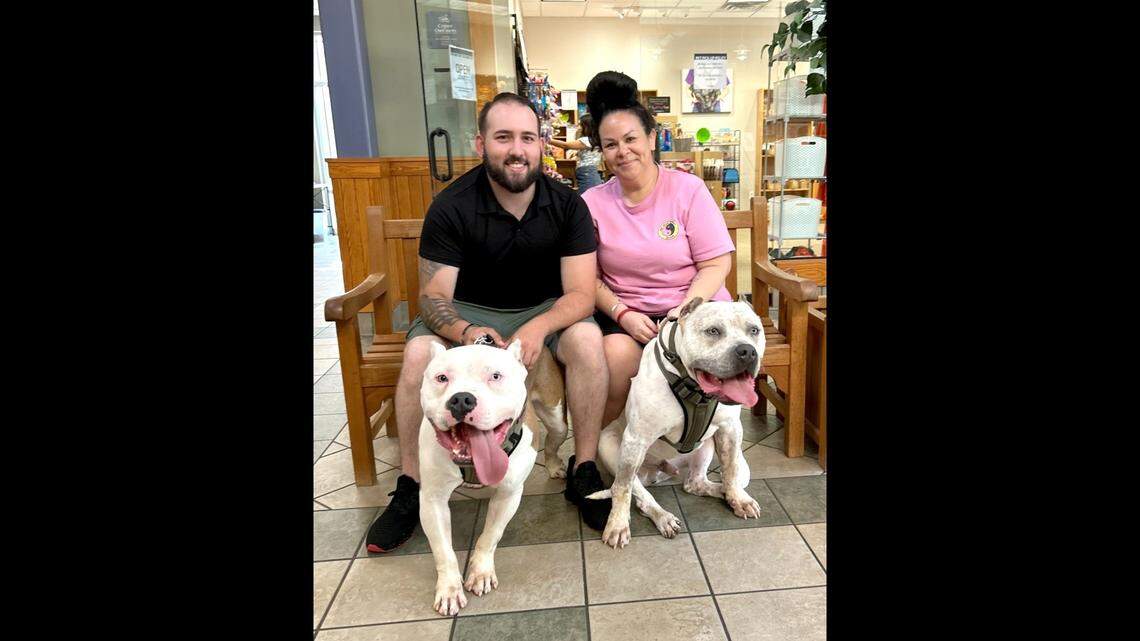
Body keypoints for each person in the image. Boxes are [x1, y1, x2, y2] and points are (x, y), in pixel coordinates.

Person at [366, 92, 612, 553]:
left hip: (545, 310)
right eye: (503, 138)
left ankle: (584, 469)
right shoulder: (452, 205)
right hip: (466, 313)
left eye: (527, 138)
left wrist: (537, 328)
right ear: (480, 144)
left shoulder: (568, 206)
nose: (516, 150)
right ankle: (409, 486)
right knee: (419, 352)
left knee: (587, 341)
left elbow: (580, 293)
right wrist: (467, 333)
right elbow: (434, 296)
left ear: (543, 145)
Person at [579, 71, 736, 427]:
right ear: (602, 152)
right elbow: (588, 278)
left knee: (714, 358)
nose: (623, 151)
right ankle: (609, 454)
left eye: (631, 138)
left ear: (651, 138)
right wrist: (622, 314)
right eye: (610, 144)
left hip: (695, 307)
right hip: (629, 316)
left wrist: (685, 310)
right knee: (615, 358)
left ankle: (695, 445)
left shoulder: (688, 190)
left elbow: (715, 264)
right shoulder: (591, 203)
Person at [546, 114, 605, 192]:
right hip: (588, 172)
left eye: (581, 125)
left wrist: (547, 139)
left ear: (587, 127)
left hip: (588, 173)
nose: (579, 128)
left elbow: (565, 145)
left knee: (587, 199)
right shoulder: (593, 140)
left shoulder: (587, 140)